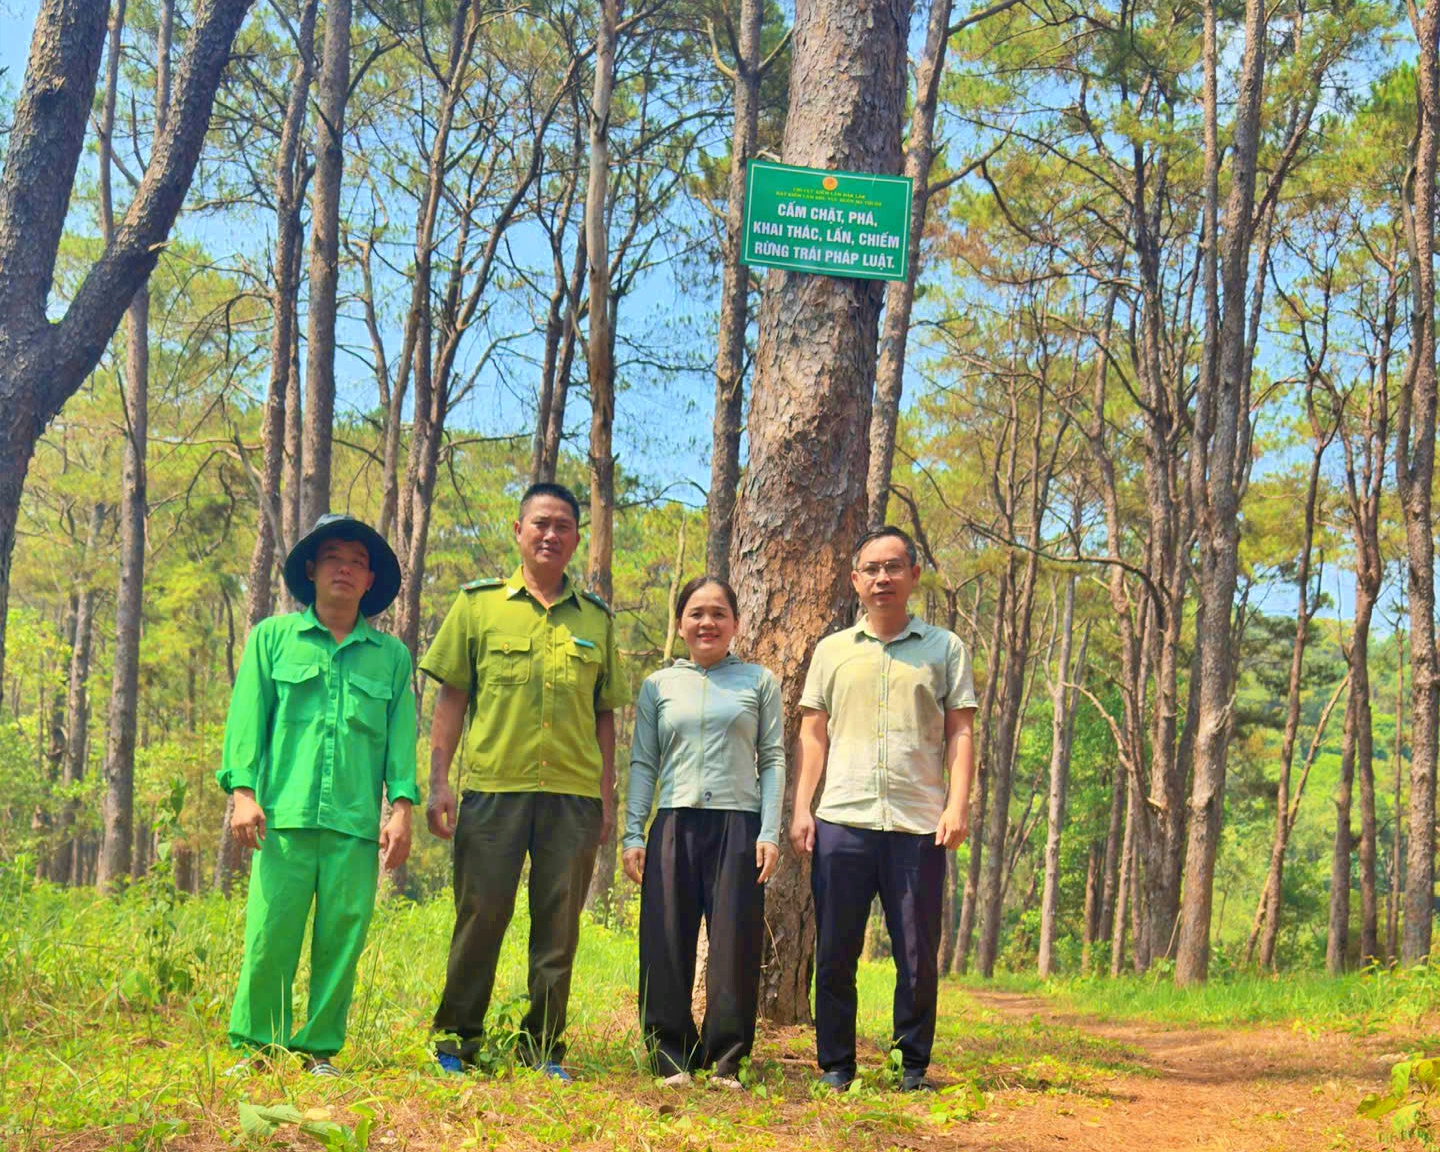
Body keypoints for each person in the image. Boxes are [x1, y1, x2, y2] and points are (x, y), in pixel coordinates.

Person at [422, 482, 627, 1080]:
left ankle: (543, 1048)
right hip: (494, 789)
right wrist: (438, 783)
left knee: (559, 926)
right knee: (481, 914)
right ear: (518, 531)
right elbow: (451, 699)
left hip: (572, 794)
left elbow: (605, 714)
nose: (551, 534)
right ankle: (457, 1039)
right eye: (540, 523)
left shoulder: (596, 619)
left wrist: (605, 797)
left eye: (563, 525)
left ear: (576, 538)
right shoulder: (478, 606)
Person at [218, 513, 417, 1077]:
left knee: (342, 938)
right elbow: (247, 721)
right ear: (312, 568)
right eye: (334, 557)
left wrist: (401, 809)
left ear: (370, 578)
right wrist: (243, 792)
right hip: (282, 817)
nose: (345, 569)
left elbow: (401, 740)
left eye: (357, 561)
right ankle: (258, 1046)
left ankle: (319, 1049)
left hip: (354, 824)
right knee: (270, 933)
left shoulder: (391, 657)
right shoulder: (271, 639)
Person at [790, 526, 977, 1092]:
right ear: (855, 580)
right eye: (871, 569)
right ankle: (836, 1066)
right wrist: (803, 807)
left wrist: (957, 804)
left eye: (894, 567)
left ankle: (910, 1066)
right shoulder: (832, 652)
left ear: (914, 575)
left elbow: (961, 732)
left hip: (918, 826)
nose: (882, 578)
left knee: (917, 957)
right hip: (842, 820)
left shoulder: (943, 649)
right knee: (836, 952)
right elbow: (813, 732)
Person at [622, 576, 784, 1090]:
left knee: (735, 945)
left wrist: (771, 830)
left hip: (739, 826)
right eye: (696, 613)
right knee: (665, 942)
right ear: (680, 623)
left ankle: (725, 1061)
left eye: (718, 613)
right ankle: (670, 1056)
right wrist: (634, 832)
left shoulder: (759, 682)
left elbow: (775, 759)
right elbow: (644, 762)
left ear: (735, 622)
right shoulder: (658, 686)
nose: (707, 622)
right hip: (672, 823)